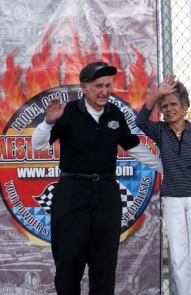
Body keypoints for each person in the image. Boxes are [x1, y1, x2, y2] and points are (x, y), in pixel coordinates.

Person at [31, 61, 163, 295]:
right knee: (69, 261)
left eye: (108, 85)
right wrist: (49, 121)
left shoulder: (115, 113)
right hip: (72, 193)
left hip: (106, 194)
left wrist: (166, 168)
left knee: (104, 263)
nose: (104, 91)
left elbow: (133, 146)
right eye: (98, 86)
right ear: (84, 87)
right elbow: (39, 145)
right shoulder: (67, 112)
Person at [135, 74, 191, 295]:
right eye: (164, 106)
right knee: (178, 257)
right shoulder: (160, 131)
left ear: (185, 106)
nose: (168, 109)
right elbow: (140, 121)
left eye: (173, 104)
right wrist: (158, 94)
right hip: (173, 199)